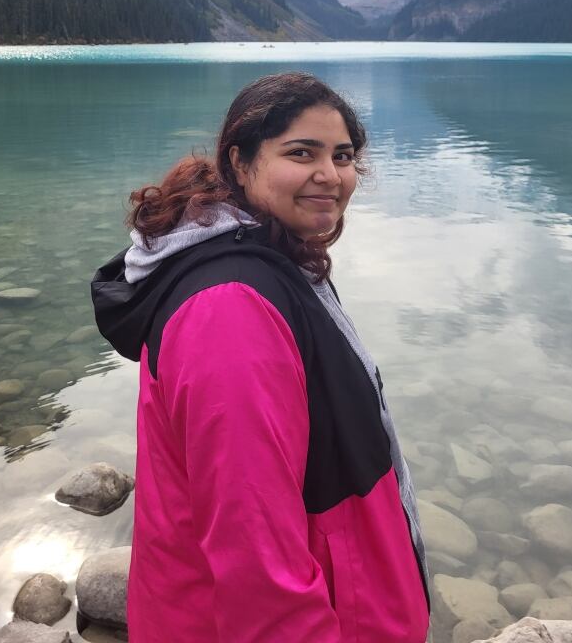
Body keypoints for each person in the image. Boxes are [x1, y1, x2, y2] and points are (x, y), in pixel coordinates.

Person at [92, 72, 430, 642]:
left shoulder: (269, 258)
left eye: (343, 155)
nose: (330, 175)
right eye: (301, 153)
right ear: (241, 162)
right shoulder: (230, 311)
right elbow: (257, 562)